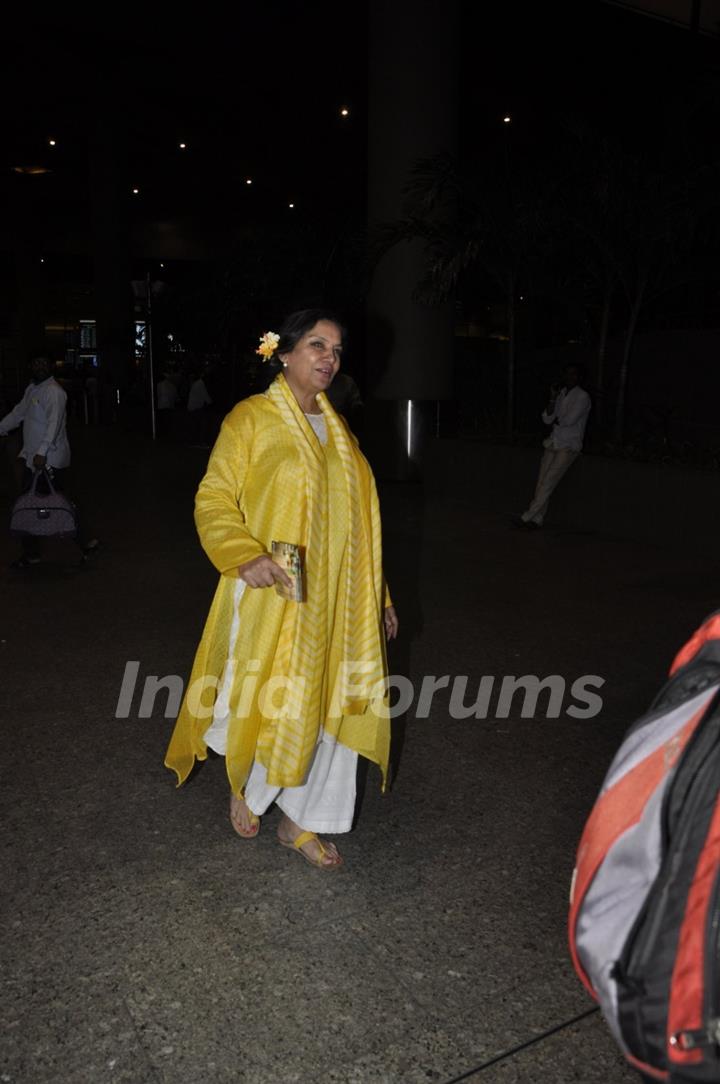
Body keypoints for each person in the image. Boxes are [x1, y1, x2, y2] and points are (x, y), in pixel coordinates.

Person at [165, 310, 399, 870]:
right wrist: (242, 554)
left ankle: (303, 820)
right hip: (276, 591)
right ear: (285, 354)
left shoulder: (342, 433)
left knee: (333, 705)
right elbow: (214, 497)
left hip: (341, 602)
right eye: (317, 345)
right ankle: (248, 782)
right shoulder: (251, 419)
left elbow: (359, 526)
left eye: (337, 350)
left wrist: (382, 598)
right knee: (272, 698)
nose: (329, 358)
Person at [0, 352, 99, 568]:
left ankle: (38, 551)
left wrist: (42, 452)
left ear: (51, 366)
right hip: (35, 460)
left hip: (47, 460)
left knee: (43, 502)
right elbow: (18, 414)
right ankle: (83, 542)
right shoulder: (33, 389)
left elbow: (54, 424)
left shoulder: (54, 392)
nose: (40, 367)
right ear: (30, 366)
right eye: (36, 363)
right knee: (45, 501)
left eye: (44, 363)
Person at [514, 363, 591, 530]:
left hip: (568, 446)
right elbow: (547, 418)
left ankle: (527, 517)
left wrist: (557, 419)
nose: (570, 377)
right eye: (568, 374)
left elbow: (569, 421)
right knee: (542, 480)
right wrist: (553, 398)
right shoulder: (561, 394)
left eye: (574, 374)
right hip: (554, 441)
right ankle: (537, 519)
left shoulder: (583, 397)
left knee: (548, 481)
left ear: (579, 377)